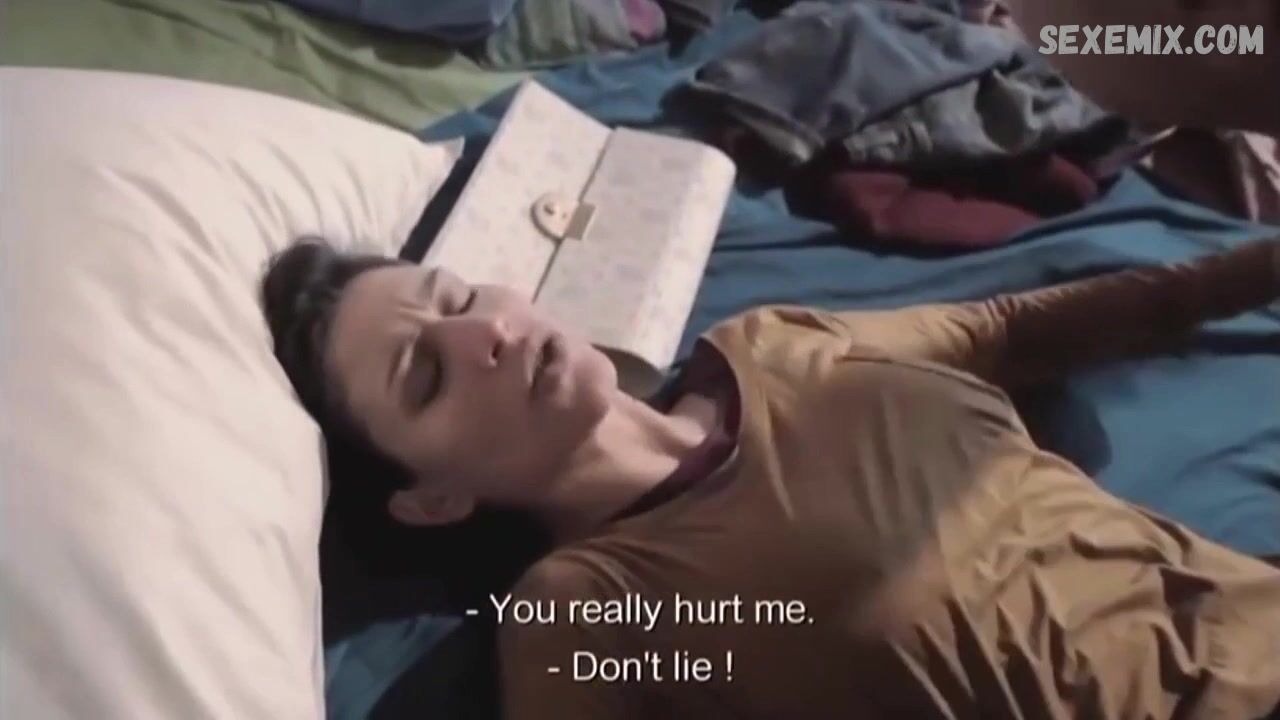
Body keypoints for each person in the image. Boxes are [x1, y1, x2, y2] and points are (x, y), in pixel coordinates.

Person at [262, 234, 1280, 720]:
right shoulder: (585, 615)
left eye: (455, 297)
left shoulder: (774, 343)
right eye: (425, 374)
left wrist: (1249, 270)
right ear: (433, 499)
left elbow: (1008, 329)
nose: (483, 332)